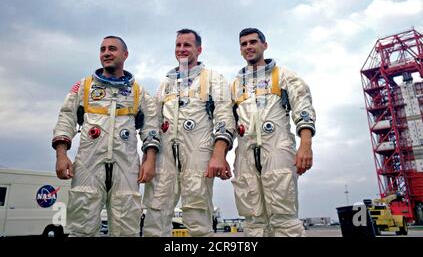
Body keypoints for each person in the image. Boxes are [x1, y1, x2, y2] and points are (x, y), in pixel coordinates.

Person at [52, 36, 160, 237]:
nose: (106, 53)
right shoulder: (83, 87)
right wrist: (61, 155)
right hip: (88, 163)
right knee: (81, 226)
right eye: (102, 49)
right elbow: (66, 118)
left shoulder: (138, 92)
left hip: (126, 165)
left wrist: (150, 160)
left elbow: (151, 126)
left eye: (112, 49)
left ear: (125, 55)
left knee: (126, 227)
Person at [142, 29, 235, 237]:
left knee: (197, 218)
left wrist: (219, 155)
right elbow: (152, 123)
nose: (182, 49)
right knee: (155, 218)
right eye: (178, 45)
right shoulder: (166, 84)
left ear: (199, 50)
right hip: (164, 157)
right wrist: (149, 158)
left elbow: (224, 118)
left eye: (187, 45)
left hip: (197, 155)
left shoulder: (212, 79)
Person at [231, 28, 316, 237]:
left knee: (283, 217)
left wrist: (305, 146)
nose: (248, 47)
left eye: (253, 42)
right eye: (244, 44)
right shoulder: (235, 86)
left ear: (264, 45)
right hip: (245, 154)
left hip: (277, 149)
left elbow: (303, 110)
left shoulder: (285, 77)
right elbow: (227, 123)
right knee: (253, 220)